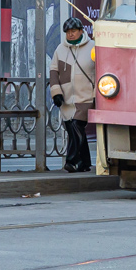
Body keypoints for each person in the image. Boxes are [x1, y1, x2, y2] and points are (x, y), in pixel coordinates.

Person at [48, 17, 96, 173]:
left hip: (86, 96)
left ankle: (71, 161)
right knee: (74, 130)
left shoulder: (93, 47)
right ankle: (85, 163)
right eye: (68, 31)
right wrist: (56, 93)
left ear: (81, 31)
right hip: (67, 99)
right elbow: (54, 72)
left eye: (74, 31)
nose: (70, 34)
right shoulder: (60, 49)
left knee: (76, 125)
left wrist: (97, 94)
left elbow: (101, 71)